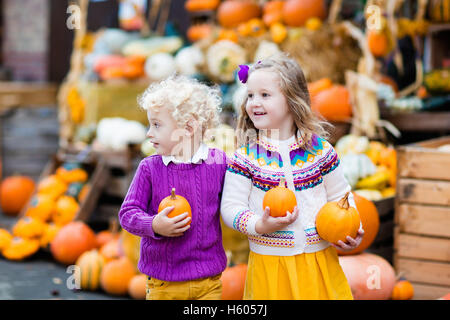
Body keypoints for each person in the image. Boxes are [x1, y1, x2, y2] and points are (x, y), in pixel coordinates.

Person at [220, 53, 364, 300]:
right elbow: (231, 208)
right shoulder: (245, 158)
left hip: (318, 262)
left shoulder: (320, 151)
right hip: (271, 265)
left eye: (265, 95)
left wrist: (353, 227)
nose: (254, 102)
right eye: (250, 96)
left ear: (291, 99)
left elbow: (341, 195)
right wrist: (259, 225)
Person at [118, 75, 228, 300]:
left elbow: (238, 195)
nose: (149, 132)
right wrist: (154, 225)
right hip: (163, 285)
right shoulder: (149, 168)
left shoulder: (218, 163)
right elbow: (127, 213)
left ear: (188, 128)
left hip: (208, 283)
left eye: (157, 125)